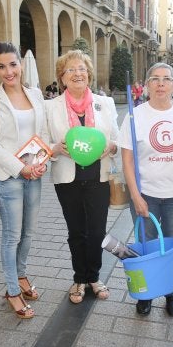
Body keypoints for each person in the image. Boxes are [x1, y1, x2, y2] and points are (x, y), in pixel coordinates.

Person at [118, 63, 173, 317]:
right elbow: (127, 160)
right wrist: (136, 197)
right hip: (146, 196)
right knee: (145, 245)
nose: (160, 83)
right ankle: (146, 294)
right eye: (154, 79)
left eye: (166, 79)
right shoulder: (134, 115)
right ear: (146, 84)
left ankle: (172, 292)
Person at [42, 49, 118, 304]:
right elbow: (42, 142)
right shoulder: (50, 107)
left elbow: (117, 139)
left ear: (89, 74)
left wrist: (112, 147)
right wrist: (54, 149)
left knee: (96, 231)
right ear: (62, 78)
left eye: (82, 69)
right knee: (76, 231)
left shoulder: (104, 104)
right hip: (68, 177)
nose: (78, 73)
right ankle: (79, 279)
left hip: (99, 176)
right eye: (71, 70)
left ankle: (94, 277)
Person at [0, 42, 46, 319]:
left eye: (13, 64)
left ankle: (20, 276)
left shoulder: (36, 94)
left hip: (35, 174)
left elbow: (40, 135)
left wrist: (45, 159)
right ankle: (11, 290)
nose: (9, 71)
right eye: (2, 66)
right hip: (9, 177)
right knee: (12, 236)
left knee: (28, 233)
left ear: (21, 64)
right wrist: (22, 169)